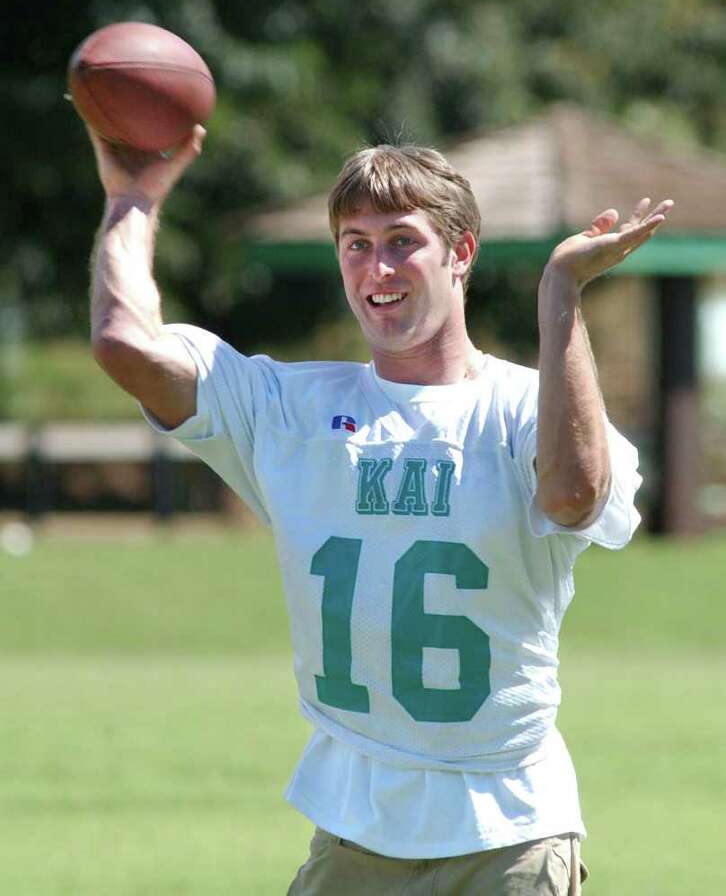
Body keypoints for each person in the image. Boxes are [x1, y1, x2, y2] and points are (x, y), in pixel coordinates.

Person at [87, 123, 672, 895]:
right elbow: (125, 346)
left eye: (402, 241)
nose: (377, 266)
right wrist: (130, 199)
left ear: (461, 254)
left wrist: (561, 292)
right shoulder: (291, 408)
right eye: (355, 244)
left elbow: (573, 496)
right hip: (354, 828)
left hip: (507, 830)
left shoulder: (523, 407)